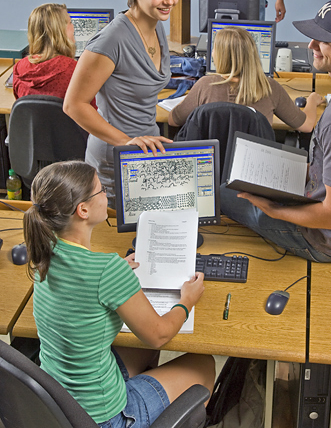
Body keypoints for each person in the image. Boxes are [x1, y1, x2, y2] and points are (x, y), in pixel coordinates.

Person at [24, 160, 215, 428]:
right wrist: (187, 301)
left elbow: (81, 287)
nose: (107, 195)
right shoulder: (106, 270)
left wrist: (116, 273)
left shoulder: (42, 251)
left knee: (142, 352)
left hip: (57, 403)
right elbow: (158, 335)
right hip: (106, 418)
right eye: (101, 191)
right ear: (83, 210)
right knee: (203, 364)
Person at [221, 0, 331, 262]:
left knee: (221, 190)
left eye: (324, 41)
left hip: (327, 240)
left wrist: (275, 210)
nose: (311, 45)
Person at [64, 0, 180, 207]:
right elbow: (73, 105)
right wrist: (127, 141)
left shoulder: (157, 26)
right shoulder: (111, 40)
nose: (170, 0)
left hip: (145, 150)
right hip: (114, 155)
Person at [169, 26, 324, 131]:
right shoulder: (269, 87)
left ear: (219, 56)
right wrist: (312, 101)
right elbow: (306, 126)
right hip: (253, 173)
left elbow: (173, 120)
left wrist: (190, 99)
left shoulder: (205, 86)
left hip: (212, 168)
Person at [13, 3, 96, 107]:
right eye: (70, 22)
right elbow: (90, 111)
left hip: (31, 124)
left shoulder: (19, 68)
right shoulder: (75, 71)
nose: (73, 27)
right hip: (67, 123)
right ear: (60, 31)